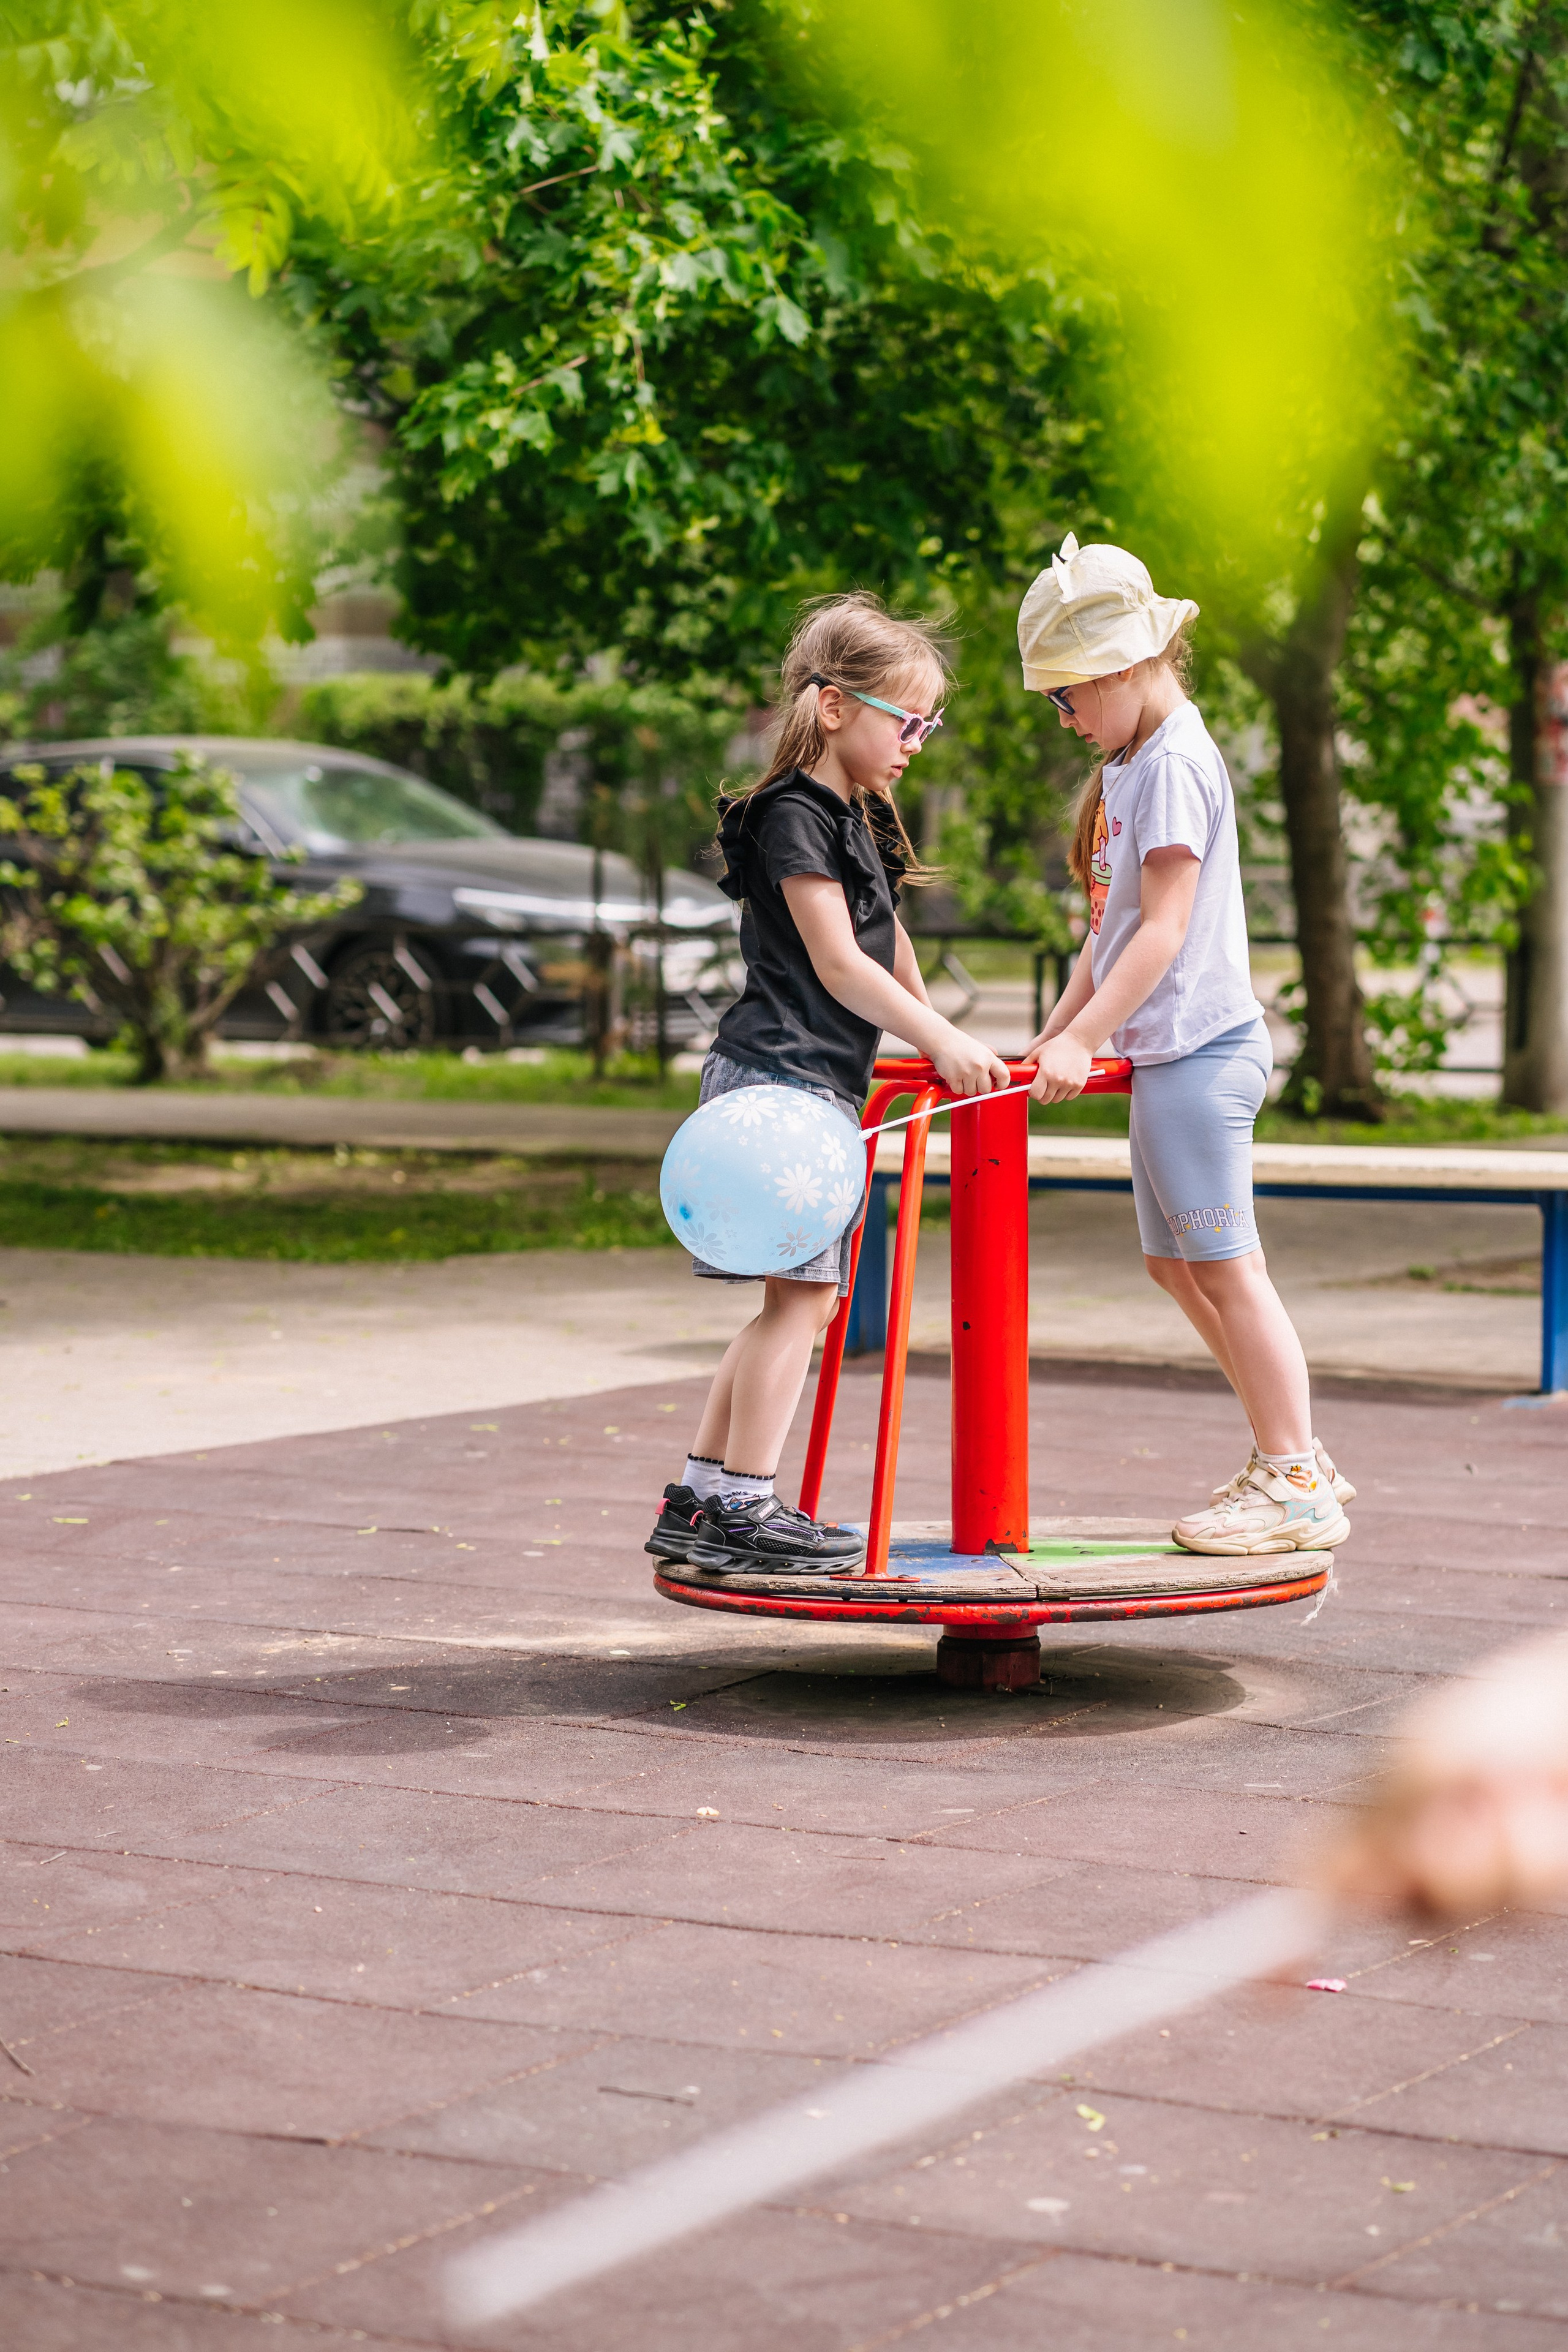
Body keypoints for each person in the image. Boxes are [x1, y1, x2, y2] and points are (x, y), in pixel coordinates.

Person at [648, 593, 1009, 1574]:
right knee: (804, 1305)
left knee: (788, 1302)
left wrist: (930, 1038)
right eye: (907, 720)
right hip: (776, 1086)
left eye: (929, 725)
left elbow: (890, 945)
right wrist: (937, 1036)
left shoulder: (863, 817)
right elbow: (841, 963)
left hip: (810, 1089)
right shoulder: (793, 815)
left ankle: (703, 1499)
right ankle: (746, 1507)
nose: (917, 743)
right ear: (836, 705)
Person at [1017, 534, 1352, 1556]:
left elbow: (1163, 930)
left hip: (1201, 1055)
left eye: (1065, 696)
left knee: (1229, 1267)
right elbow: (1107, 932)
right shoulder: (1130, 762)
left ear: (1122, 668)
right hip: (1171, 1060)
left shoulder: (1170, 764)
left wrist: (1086, 1036)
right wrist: (1054, 1034)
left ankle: (1292, 1476)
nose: (1062, 717)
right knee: (1178, 1271)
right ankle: (1290, 1447)